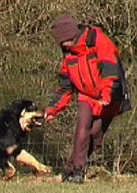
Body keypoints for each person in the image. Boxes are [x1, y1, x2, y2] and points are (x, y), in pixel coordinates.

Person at [44, 14, 131, 184]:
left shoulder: (98, 40)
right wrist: (52, 109)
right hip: (87, 96)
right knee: (82, 128)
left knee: (95, 137)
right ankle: (77, 171)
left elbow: (110, 70)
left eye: (62, 41)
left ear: (70, 35)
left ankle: (70, 169)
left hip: (110, 96)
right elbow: (65, 88)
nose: (62, 45)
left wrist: (106, 96)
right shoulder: (68, 55)